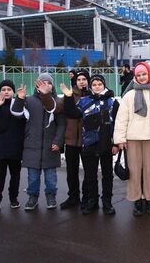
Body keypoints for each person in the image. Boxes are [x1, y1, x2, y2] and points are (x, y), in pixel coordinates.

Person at [114, 62, 150, 216]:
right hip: (132, 139)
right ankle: (137, 200)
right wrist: (120, 139)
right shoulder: (129, 95)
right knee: (134, 171)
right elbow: (121, 119)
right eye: (138, 75)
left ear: (149, 74)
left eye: (144, 74)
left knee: (149, 170)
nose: (141, 77)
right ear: (135, 77)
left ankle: (149, 198)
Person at [62, 74, 120, 215]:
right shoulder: (84, 101)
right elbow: (73, 113)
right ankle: (92, 201)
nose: (97, 87)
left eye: (99, 84)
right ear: (91, 87)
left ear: (104, 85)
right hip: (89, 143)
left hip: (106, 143)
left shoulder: (112, 102)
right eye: (94, 85)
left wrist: (116, 143)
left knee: (107, 175)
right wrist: (69, 97)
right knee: (90, 175)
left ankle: (107, 202)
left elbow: (118, 124)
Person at [11, 73, 66, 211]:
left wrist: (58, 141)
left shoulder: (57, 101)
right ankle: (32, 197)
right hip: (32, 145)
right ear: (37, 85)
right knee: (33, 177)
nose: (46, 85)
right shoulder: (29, 101)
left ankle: (51, 196)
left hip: (50, 146)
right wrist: (20, 98)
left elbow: (62, 124)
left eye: (49, 83)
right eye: (43, 82)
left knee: (51, 177)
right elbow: (16, 114)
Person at [0, 79, 25, 216]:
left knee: (15, 175)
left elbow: (24, 120)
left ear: (13, 92)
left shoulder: (19, 104)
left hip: (15, 147)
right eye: (3, 89)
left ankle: (13, 198)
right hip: (0, 148)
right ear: (0, 92)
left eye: (9, 89)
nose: (6, 92)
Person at [60, 69, 90, 210]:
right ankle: (73, 197)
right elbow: (54, 108)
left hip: (87, 140)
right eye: (79, 79)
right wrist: (46, 95)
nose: (81, 81)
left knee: (89, 171)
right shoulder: (69, 95)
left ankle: (86, 197)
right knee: (72, 171)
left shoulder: (93, 95)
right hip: (71, 140)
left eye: (84, 79)